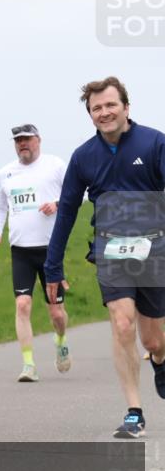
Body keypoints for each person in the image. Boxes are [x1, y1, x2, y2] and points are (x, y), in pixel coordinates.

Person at [43, 76, 165, 438]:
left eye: (110, 105)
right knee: (122, 323)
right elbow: (66, 211)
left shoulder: (155, 143)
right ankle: (133, 411)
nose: (104, 112)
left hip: (155, 249)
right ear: (90, 115)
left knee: (155, 339)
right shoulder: (83, 157)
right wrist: (53, 266)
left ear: (126, 107)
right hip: (111, 250)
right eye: (96, 108)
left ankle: (159, 360)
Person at [0, 123, 71, 382]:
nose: (22, 144)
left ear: (38, 140)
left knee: (56, 313)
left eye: (27, 139)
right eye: (18, 141)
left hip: (50, 250)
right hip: (20, 249)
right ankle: (28, 364)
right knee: (22, 304)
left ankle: (60, 339)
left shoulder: (55, 165)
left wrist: (57, 203)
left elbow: (74, 195)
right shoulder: (6, 173)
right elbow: (0, 205)